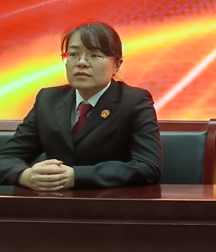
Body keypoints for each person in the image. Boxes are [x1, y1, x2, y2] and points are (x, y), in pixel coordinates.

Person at [0, 22, 162, 190]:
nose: (81, 62)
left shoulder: (134, 101)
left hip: (111, 201)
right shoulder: (48, 99)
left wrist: (77, 176)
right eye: (73, 54)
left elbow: (148, 167)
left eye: (94, 55)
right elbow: (6, 159)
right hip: (54, 201)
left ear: (117, 64)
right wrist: (25, 176)